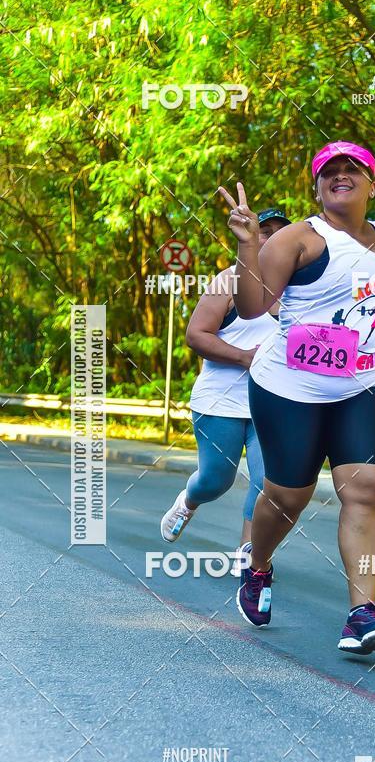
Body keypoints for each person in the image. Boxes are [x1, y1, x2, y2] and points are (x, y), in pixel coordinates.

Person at [218, 141, 375, 654]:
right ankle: (256, 565)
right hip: (290, 386)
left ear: (372, 184)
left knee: (367, 489)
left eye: (353, 169)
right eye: (330, 170)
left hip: (367, 382)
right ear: (317, 184)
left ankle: (362, 614)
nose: (341, 175)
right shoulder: (299, 239)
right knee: (287, 497)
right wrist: (247, 244)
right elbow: (253, 306)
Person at [160, 209, 291, 566]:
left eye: (280, 233)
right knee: (216, 480)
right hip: (221, 402)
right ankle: (189, 500)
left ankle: (249, 555)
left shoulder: (300, 286)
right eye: (264, 231)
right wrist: (244, 358)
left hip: (274, 404)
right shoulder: (228, 280)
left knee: (268, 482)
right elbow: (195, 334)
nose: (271, 238)